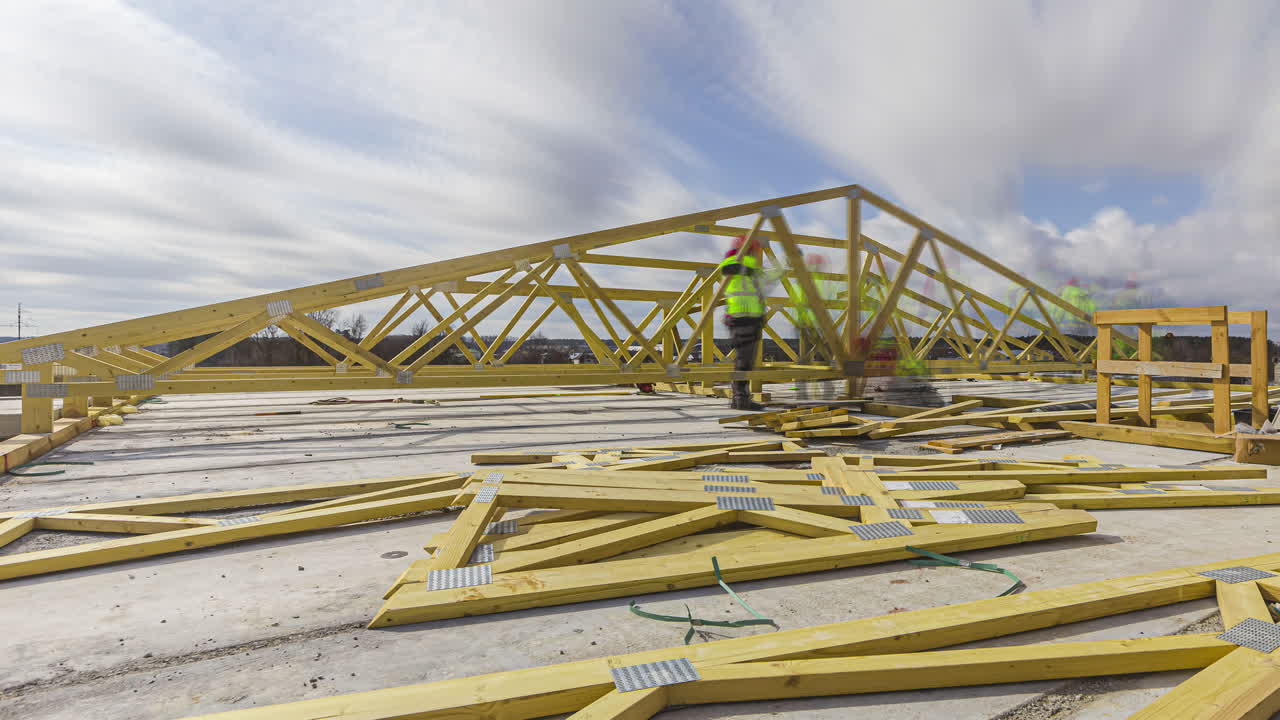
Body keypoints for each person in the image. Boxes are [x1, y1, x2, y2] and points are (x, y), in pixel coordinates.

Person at [719, 235, 768, 411]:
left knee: (746, 360)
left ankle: (740, 398)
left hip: (749, 318)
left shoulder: (746, 264)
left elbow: (760, 286)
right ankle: (740, 399)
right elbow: (726, 268)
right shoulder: (735, 261)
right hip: (742, 318)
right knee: (743, 361)